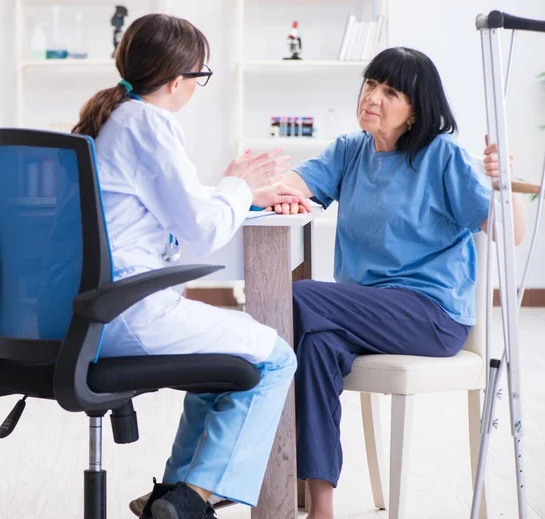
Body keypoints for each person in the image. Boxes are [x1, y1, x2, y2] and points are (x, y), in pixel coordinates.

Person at [265, 47, 526, 519]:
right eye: (370, 84)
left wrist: (505, 181)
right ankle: (320, 508)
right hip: (365, 313)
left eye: (390, 92)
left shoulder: (440, 155)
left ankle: (234, 460)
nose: (372, 98)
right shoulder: (350, 150)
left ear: (416, 111)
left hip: (429, 316)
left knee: (296, 297)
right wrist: (282, 195)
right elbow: (296, 185)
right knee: (317, 347)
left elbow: (511, 233)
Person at [71, 13, 311, 519]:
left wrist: (242, 194)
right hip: (127, 313)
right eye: (202, 77)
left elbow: (166, 205)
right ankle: (196, 500)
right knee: (276, 358)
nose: (200, 88)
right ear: (179, 79)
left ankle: (174, 495)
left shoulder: (114, 119)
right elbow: (202, 231)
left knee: (221, 365)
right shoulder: (151, 123)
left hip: (86, 315)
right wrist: (236, 182)